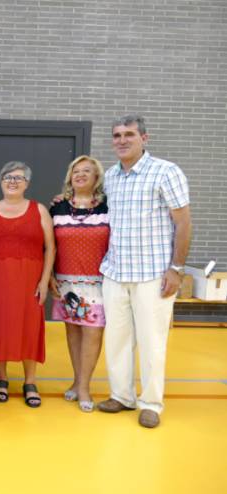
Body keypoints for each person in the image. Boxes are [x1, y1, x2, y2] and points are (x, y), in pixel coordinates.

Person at [96, 115, 191, 428]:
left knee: (152, 342)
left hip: (153, 274)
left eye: (129, 134)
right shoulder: (111, 176)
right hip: (115, 272)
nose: (122, 140)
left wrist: (176, 269)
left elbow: (183, 223)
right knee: (117, 340)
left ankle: (150, 403)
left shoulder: (165, 171)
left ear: (144, 139)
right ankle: (121, 396)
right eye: (117, 135)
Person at [0, 162, 55, 408]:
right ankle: (2, 379)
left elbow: (50, 247)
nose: (12, 181)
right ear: (1, 181)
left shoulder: (39, 210)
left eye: (18, 178)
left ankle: (30, 382)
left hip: (28, 281)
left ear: (27, 183)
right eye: (7, 177)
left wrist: (44, 281)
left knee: (29, 327)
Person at [49, 156, 109, 412]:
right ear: (70, 177)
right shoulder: (58, 207)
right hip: (66, 283)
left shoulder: (108, 207)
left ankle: (84, 387)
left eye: (87, 171)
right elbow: (48, 245)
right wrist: (49, 276)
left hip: (99, 283)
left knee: (93, 332)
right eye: (76, 171)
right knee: (73, 333)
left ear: (97, 178)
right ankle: (77, 380)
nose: (81, 175)